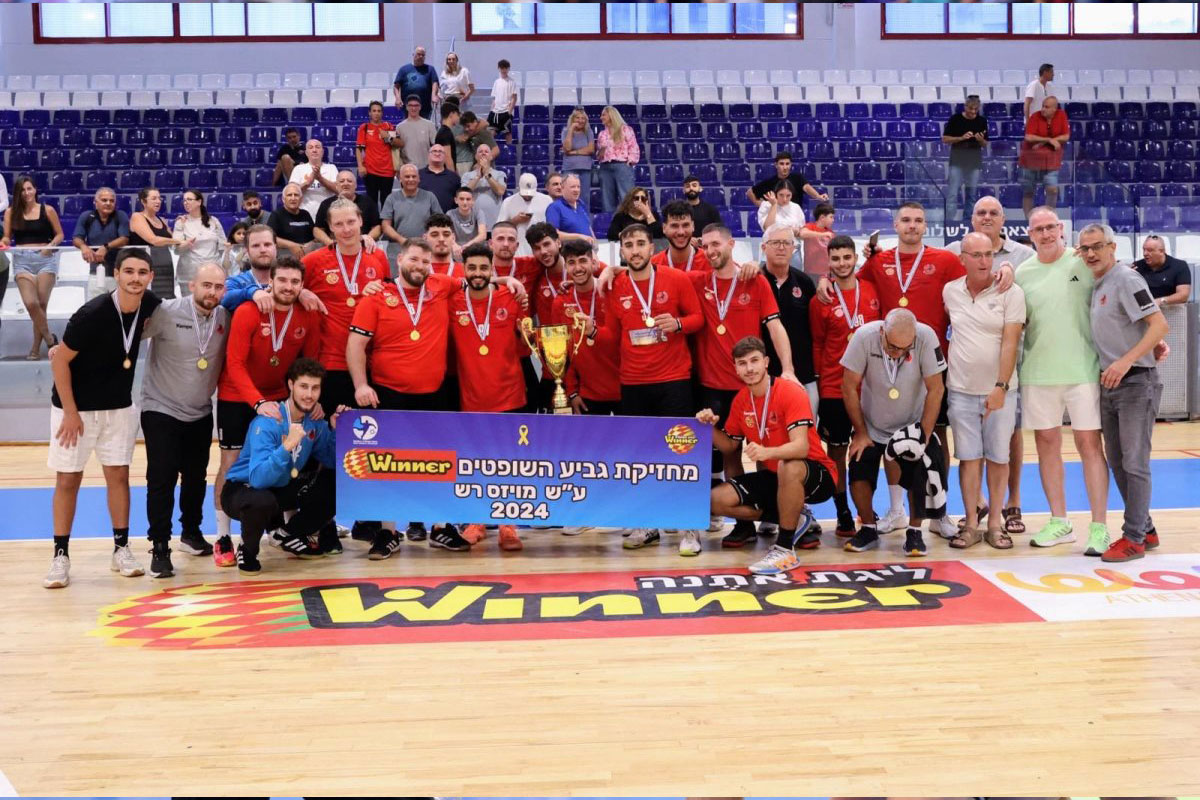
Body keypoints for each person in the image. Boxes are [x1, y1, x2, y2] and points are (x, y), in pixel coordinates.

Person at [346, 239, 524, 555]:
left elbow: (476, 278)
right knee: (388, 462)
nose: (420, 266)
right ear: (399, 259)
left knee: (440, 462)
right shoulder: (376, 296)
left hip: (435, 393)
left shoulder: (440, 285)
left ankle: (440, 528)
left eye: (426, 262)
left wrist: (506, 279)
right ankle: (388, 532)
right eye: (414, 259)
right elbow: (355, 345)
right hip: (389, 392)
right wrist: (361, 385)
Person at [43, 249, 162, 588]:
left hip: (119, 409)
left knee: (119, 477)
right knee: (68, 480)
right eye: (129, 271)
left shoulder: (151, 305)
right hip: (75, 410)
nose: (135, 278)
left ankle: (121, 549)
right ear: (117, 274)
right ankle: (60, 556)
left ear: (150, 276)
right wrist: (70, 413)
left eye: (142, 272)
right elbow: (59, 361)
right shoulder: (91, 314)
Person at [584, 223, 702, 549]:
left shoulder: (676, 279)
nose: (635, 250)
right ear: (621, 251)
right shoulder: (615, 285)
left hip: (674, 379)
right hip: (634, 382)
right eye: (629, 245)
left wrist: (678, 323)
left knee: (680, 453)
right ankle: (647, 524)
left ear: (652, 248)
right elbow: (612, 336)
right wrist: (592, 331)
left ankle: (688, 527)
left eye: (640, 244)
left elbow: (698, 319)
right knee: (640, 456)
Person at [693, 225, 795, 556]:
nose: (711, 250)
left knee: (767, 450)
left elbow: (775, 326)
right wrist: (607, 270)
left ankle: (776, 513)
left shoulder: (755, 279)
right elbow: (655, 271)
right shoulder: (698, 281)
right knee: (730, 452)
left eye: (717, 244)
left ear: (731, 244)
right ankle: (744, 524)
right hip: (713, 384)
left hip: (752, 385)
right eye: (706, 246)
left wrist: (788, 370)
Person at [213, 253, 320, 567]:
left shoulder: (308, 314)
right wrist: (257, 402)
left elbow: (309, 364)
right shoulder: (249, 311)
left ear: (302, 285)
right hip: (237, 396)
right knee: (231, 464)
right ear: (269, 281)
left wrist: (309, 399)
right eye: (282, 280)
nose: (288, 286)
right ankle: (222, 536)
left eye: (295, 281)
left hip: (278, 397)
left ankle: (283, 530)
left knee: (286, 456)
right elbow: (234, 363)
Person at [1015, 207, 1111, 555]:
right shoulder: (1022, 273)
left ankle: (1099, 527)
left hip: (1083, 371)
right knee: (1046, 446)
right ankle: (1060, 522)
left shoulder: (1082, 262)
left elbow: (1114, 297)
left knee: (1090, 446)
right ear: (1030, 235)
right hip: (1038, 373)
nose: (1045, 234)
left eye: (1050, 227)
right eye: (1038, 229)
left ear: (1060, 229)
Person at [699, 336, 837, 574]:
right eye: (742, 363)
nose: (749, 368)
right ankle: (795, 518)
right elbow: (730, 447)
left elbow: (801, 448)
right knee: (715, 500)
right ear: (735, 368)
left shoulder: (790, 392)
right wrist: (707, 427)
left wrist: (767, 452)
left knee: (788, 465)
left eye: (754, 361)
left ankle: (785, 549)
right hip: (776, 477)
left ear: (766, 362)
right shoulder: (741, 400)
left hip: (815, 474)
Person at [944, 195, 1034, 535]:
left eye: (994, 212)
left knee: (1004, 449)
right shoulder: (951, 286)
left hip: (1006, 379)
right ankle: (973, 517)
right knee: (969, 457)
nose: (983, 260)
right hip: (961, 387)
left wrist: (1002, 385)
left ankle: (1005, 512)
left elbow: (1011, 339)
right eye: (980, 212)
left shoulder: (1021, 263)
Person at [1079, 223, 1170, 562]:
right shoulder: (1098, 282)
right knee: (1117, 462)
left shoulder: (1127, 279)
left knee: (1134, 462)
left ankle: (1134, 538)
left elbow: (1159, 325)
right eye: (1085, 248)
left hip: (1136, 382)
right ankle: (1145, 527)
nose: (1091, 253)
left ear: (1112, 247)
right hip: (1110, 384)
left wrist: (1127, 360)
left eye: (1097, 246)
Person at [138, 262, 229, 577]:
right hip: (160, 408)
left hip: (200, 411)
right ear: (192, 285)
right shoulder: (166, 311)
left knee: (195, 477)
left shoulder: (224, 317)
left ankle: (191, 533)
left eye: (218, 287)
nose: (212, 292)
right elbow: (130, 335)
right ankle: (160, 546)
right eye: (206, 285)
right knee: (161, 479)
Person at [840, 308, 947, 557]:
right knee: (858, 468)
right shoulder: (863, 337)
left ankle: (914, 531)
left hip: (910, 424)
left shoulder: (927, 337)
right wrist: (860, 432)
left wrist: (923, 435)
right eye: (892, 346)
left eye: (904, 348)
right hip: (872, 425)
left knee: (920, 469)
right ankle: (868, 527)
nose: (897, 353)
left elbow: (936, 389)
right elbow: (848, 386)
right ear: (882, 332)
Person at [222, 357, 343, 573]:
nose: (309, 394)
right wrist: (286, 446)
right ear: (290, 385)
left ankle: (287, 534)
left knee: (337, 484)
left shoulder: (313, 421)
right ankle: (247, 550)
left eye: (315, 388)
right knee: (262, 500)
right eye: (303, 386)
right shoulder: (268, 421)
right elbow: (259, 479)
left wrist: (334, 430)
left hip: (281, 487)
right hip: (243, 489)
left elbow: (332, 461)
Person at [809, 235, 881, 540]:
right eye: (835, 259)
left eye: (846, 257)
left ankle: (868, 509)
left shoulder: (872, 290)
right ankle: (843, 512)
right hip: (834, 388)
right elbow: (818, 344)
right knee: (837, 453)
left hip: (870, 388)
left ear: (855, 258)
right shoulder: (820, 300)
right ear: (828, 261)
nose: (841, 264)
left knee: (869, 452)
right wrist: (821, 384)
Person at [302, 197, 392, 418]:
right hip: (330, 362)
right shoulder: (313, 261)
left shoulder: (378, 257)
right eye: (339, 224)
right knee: (333, 430)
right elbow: (280, 287)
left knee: (368, 432)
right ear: (330, 227)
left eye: (351, 222)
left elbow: (390, 301)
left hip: (371, 363)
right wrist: (300, 292)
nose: (346, 229)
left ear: (360, 220)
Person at [553, 238, 620, 416]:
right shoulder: (560, 302)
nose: (578, 268)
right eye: (571, 263)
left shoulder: (612, 291)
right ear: (566, 267)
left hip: (624, 387)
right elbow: (562, 351)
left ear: (593, 262)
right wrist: (572, 391)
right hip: (587, 393)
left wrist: (612, 269)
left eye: (583, 260)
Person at [4, 175, 64, 360]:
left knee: (42, 305)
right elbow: (7, 236)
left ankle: (35, 348)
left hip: (45, 258)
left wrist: (49, 246)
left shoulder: (48, 210)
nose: (26, 193)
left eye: (29, 188)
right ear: (18, 193)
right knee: (31, 303)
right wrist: (4, 242)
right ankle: (50, 340)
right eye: (22, 190)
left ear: (35, 190)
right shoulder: (11, 212)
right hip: (22, 259)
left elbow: (60, 235)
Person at [1019, 96, 1069, 218]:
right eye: (1042, 106)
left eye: (1046, 107)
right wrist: (1049, 140)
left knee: (1052, 190)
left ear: (1054, 109)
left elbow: (1066, 136)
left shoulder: (1061, 116)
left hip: (1051, 162)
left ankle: (1048, 218)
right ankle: (1029, 221)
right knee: (1028, 192)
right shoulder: (1035, 117)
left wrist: (1042, 143)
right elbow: (1029, 137)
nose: (1043, 109)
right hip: (1030, 162)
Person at [942, 94, 989, 224]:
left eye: (976, 109)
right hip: (957, 161)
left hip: (974, 163)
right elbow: (945, 139)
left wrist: (980, 140)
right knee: (952, 193)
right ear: (965, 107)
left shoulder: (982, 121)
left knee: (971, 194)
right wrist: (961, 138)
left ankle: (968, 222)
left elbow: (985, 143)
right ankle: (949, 222)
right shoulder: (955, 119)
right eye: (970, 109)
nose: (973, 112)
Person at [171, 188, 226, 297]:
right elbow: (176, 250)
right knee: (190, 304)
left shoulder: (213, 221)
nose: (186, 202)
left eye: (189, 199)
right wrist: (186, 244)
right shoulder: (181, 222)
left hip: (212, 271)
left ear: (199, 202)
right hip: (189, 273)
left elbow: (222, 247)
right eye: (184, 200)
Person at [128, 186, 182, 298]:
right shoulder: (137, 217)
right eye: (154, 198)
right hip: (144, 266)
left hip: (165, 265)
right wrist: (178, 241)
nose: (158, 201)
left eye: (159, 198)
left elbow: (172, 239)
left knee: (166, 298)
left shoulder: (162, 220)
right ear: (143, 201)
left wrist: (180, 223)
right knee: (147, 298)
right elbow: (154, 240)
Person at [381, 164, 443, 253]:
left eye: (414, 176)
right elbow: (385, 226)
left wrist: (431, 237)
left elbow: (440, 222)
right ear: (400, 179)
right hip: (399, 247)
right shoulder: (392, 198)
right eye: (407, 177)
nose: (411, 179)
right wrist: (402, 240)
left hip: (426, 246)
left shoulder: (430, 196)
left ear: (419, 179)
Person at [313, 170, 382, 247]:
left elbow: (377, 227)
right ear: (336, 185)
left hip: (363, 246)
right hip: (335, 246)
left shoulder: (368, 202)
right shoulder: (326, 204)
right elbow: (317, 229)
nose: (345, 183)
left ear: (356, 185)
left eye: (349, 181)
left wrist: (366, 239)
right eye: (342, 181)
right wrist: (329, 242)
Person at [355, 100, 400, 213]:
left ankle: (386, 223)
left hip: (388, 171)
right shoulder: (364, 127)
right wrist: (360, 166)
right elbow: (359, 149)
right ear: (369, 113)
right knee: (371, 201)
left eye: (379, 111)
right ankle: (373, 223)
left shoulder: (388, 126)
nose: (376, 113)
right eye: (374, 111)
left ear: (382, 113)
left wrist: (388, 137)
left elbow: (400, 143)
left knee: (387, 201)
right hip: (370, 171)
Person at [71, 187, 129, 276]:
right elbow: (76, 238)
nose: (108, 203)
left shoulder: (121, 215)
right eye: (104, 200)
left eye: (112, 201)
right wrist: (83, 247)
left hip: (118, 265)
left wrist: (105, 247)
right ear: (95, 202)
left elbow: (124, 239)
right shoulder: (86, 216)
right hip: (95, 264)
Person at [596, 106, 640, 213]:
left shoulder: (626, 130)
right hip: (605, 167)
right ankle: (610, 220)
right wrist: (601, 151)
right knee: (607, 198)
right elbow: (599, 156)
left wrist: (630, 161)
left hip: (622, 165)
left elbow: (633, 147)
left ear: (611, 115)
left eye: (603, 115)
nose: (601, 117)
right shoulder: (602, 134)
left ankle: (630, 219)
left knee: (626, 196)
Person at [746, 151, 828, 208]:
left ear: (791, 165)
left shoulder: (798, 178)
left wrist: (818, 196)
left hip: (795, 218)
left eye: (787, 164)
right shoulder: (769, 182)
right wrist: (758, 204)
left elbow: (806, 187)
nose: (785, 167)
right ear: (776, 165)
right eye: (782, 164)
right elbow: (750, 192)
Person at [498, 172, 553, 255]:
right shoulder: (508, 202)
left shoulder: (547, 200)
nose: (527, 196)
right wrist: (515, 221)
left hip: (542, 249)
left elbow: (552, 226)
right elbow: (499, 228)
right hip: (518, 250)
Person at [652, 201, 712, 272]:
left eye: (685, 225)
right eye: (674, 226)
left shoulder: (710, 261)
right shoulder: (653, 265)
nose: (681, 232)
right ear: (664, 228)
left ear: (693, 226)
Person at [288, 140, 338, 220]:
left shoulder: (331, 168)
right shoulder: (298, 169)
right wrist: (308, 182)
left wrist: (320, 178)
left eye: (317, 147)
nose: (314, 150)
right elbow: (291, 192)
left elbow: (338, 189)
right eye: (311, 148)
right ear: (306, 153)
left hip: (328, 213)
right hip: (304, 214)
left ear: (322, 152)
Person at [460, 143, 507, 230]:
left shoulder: (500, 174)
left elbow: (501, 191)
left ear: (491, 157)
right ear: (476, 156)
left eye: (486, 151)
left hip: (493, 223)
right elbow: (464, 194)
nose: (483, 153)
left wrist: (487, 175)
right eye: (480, 151)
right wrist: (477, 177)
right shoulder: (467, 175)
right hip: (473, 223)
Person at [1134, 235, 1192, 305]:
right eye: (1144, 250)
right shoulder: (1137, 267)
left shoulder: (1179, 266)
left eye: (1150, 250)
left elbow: (1183, 295)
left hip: (1171, 308)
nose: (1145, 253)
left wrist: (1160, 301)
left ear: (1162, 251)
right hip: (1143, 309)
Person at [267, 183, 317, 259]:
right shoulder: (276, 215)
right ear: (283, 199)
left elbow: (314, 236)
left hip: (307, 255)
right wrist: (291, 245)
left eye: (296, 195)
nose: (293, 198)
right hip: (285, 256)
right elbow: (270, 238)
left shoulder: (306, 214)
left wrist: (311, 244)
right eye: (289, 195)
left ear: (301, 199)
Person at [546, 174, 594, 244]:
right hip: (569, 249)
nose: (576, 190)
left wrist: (595, 243)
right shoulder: (554, 207)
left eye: (578, 187)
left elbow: (588, 227)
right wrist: (579, 237)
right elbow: (553, 234)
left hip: (588, 249)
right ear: (563, 188)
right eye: (573, 187)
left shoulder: (581, 204)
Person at [393, 46, 439, 119]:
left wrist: (434, 95)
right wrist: (398, 98)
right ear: (413, 54)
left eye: (423, 55)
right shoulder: (404, 69)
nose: (421, 56)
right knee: (409, 125)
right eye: (418, 54)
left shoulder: (430, 69)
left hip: (425, 107)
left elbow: (435, 83)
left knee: (424, 125)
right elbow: (396, 86)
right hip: (408, 106)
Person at [561, 107, 596, 201]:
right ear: (573, 119)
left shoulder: (588, 132)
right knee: (568, 196)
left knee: (585, 197)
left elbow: (591, 149)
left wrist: (573, 152)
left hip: (585, 168)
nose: (580, 120)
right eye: (578, 118)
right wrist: (571, 129)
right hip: (569, 168)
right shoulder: (565, 131)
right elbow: (567, 148)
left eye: (583, 118)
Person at [396, 95, 438, 170]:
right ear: (406, 107)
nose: (413, 108)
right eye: (410, 105)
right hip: (408, 169)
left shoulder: (429, 125)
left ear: (420, 107)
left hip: (426, 168)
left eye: (416, 105)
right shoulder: (399, 127)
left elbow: (436, 147)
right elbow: (398, 151)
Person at [419, 143, 462, 216]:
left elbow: (458, 200)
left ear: (445, 156)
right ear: (428, 155)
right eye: (434, 151)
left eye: (440, 152)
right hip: (423, 218)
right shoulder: (418, 175)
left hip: (447, 218)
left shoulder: (454, 177)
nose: (437, 154)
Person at [448, 186, 486, 260]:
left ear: (473, 201)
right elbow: (447, 233)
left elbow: (483, 235)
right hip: (456, 251)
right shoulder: (450, 214)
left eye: (468, 199)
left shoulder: (478, 212)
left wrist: (467, 245)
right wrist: (454, 245)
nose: (465, 202)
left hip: (474, 250)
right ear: (456, 200)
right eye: (461, 199)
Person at [799, 202, 836, 278]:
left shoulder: (830, 232)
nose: (833, 220)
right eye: (831, 217)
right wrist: (822, 234)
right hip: (811, 271)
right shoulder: (810, 226)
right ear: (822, 217)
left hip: (827, 271)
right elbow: (802, 234)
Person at [488, 58, 518, 145]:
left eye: (505, 68)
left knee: (508, 133)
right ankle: (492, 150)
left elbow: (514, 98)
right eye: (502, 68)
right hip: (495, 112)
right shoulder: (496, 82)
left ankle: (509, 150)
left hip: (506, 111)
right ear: (499, 68)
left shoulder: (512, 82)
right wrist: (491, 110)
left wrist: (509, 112)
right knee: (491, 133)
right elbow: (494, 98)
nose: (504, 70)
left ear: (508, 69)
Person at [682, 175, 723, 239]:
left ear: (700, 188)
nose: (691, 188)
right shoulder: (678, 210)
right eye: (687, 186)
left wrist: (704, 239)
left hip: (706, 243)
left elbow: (720, 230)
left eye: (694, 185)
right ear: (683, 190)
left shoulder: (711, 209)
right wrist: (688, 239)